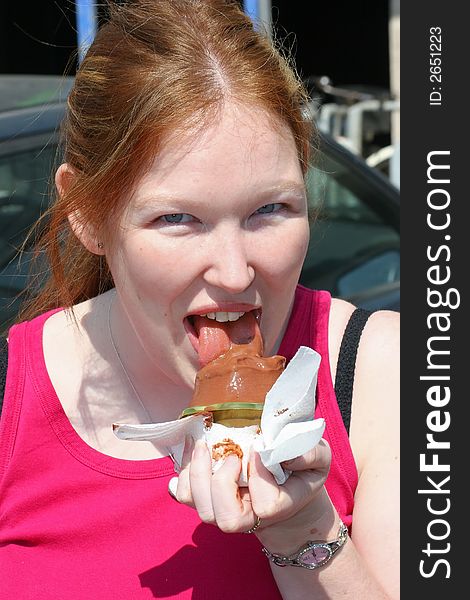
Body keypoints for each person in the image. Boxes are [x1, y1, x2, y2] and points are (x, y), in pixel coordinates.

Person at [0, 1, 399, 598]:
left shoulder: (383, 373)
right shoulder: (10, 395)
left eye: (271, 209)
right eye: (177, 218)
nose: (237, 274)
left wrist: (305, 531)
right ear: (86, 213)